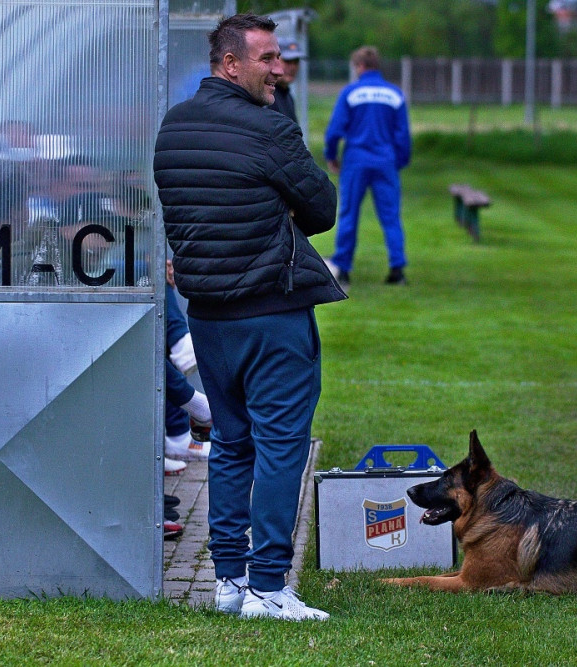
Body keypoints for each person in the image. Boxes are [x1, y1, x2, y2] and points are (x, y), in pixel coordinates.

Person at [154, 13, 345, 621]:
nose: (279, 69)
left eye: (279, 57)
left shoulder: (174, 126)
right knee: (281, 447)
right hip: (272, 314)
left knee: (232, 444)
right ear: (230, 64)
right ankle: (268, 587)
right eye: (267, 58)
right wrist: (280, 206)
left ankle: (229, 582)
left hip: (208, 318)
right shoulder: (269, 128)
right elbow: (322, 208)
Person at [323, 45, 412, 287]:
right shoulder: (395, 94)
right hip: (385, 161)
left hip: (356, 160)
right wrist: (399, 161)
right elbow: (403, 135)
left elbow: (334, 130)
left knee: (349, 214)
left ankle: (343, 267)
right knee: (391, 216)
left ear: (360, 66)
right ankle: (397, 270)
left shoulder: (351, 93)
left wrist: (331, 155)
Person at [270, 37, 303, 123]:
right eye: (287, 61)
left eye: (296, 62)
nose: (292, 67)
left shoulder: (287, 96)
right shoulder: (267, 97)